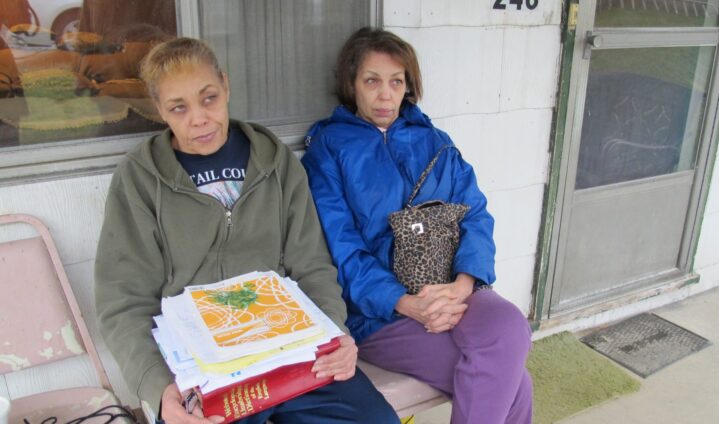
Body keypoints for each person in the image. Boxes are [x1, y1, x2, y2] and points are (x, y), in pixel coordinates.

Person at [94, 37, 399, 424]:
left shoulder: (275, 163)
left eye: (209, 98)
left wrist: (334, 334)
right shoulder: (141, 179)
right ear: (159, 110)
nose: (199, 118)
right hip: (205, 368)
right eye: (178, 107)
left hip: (291, 350)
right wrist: (159, 387)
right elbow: (123, 302)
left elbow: (312, 265)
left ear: (226, 85)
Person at [301, 27, 533, 424]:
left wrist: (461, 287)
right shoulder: (329, 149)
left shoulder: (436, 141)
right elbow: (340, 248)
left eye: (396, 82)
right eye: (372, 81)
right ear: (351, 84)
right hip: (381, 314)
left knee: (510, 325)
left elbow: (475, 213)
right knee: (515, 385)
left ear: (408, 85)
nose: (385, 95)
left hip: (452, 286)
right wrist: (408, 304)